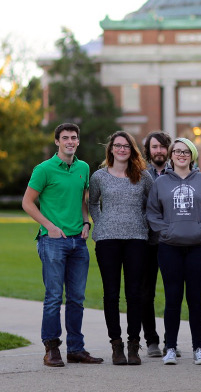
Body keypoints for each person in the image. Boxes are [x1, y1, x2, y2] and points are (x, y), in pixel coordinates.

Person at [22, 123, 103, 367]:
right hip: (52, 241)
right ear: (57, 141)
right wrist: (50, 227)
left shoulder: (83, 167)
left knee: (77, 299)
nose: (70, 141)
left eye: (74, 137)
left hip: (78, 242)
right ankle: (51, 349)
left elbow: (82, 199)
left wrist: (86, 222)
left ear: (78, 141)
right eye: (65, 137)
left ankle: (76, 349)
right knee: (54, 297)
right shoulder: (43, 169)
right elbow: (27, 202)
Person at [146, 137, 201, 365]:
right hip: (170, 248)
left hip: (199, 247)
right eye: (177, 151)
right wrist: (165, 232)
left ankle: (198, 347)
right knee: (173, 299)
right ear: (171, 155)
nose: (181, 155)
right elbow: (152, 213)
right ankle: (170, 347)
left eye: (186, 151)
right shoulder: (160, 182)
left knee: (196, 299)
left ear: (192, 155)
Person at [89, 131, 153, 365]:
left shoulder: (143, 176)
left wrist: (145, 223)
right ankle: (116, 346)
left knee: (135, 294)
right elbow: (92, 202)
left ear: (132, 149)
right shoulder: (99, 177)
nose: (122, 149)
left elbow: (153, 203)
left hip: (137, 239)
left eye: (126, 146)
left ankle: (134, 345)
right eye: (118, 145)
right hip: (107, 240)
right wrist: (100, 224)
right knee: (111, 294)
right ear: (111, 149)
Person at [141, 131, 173, 357]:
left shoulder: (180, 171)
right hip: (147, 242)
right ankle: (151, 340)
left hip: (174, 242)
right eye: (155, 147)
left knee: (173, 293)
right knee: (146, 293)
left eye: (163, 147)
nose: (159, 151)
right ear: (148, 150)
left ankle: (171, 341)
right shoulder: (140, 174)